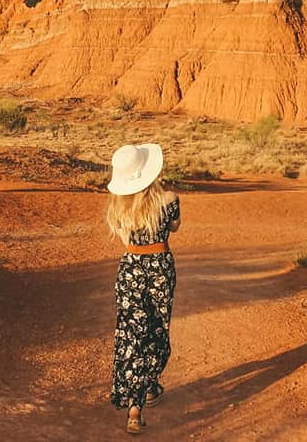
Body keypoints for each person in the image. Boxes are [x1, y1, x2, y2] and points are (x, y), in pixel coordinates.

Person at [106, 143, 181, 434]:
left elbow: (127, 242)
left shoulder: (118, 206)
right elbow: (174, 227)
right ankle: (147, 387)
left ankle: (134, 407)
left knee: (131, 334)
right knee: (158, 329)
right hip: (160, 267)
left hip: (131, 269)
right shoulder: (170, 199)